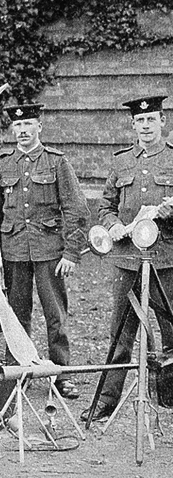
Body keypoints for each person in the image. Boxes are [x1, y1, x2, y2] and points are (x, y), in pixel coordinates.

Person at [81, 96, 173, 421]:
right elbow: (105, 205)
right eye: (140, 121)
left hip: (165, 261)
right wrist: (114, 224)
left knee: (171, 331)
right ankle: (105, 402)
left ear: (163, 121)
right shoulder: (121, 162)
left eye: (152, 120)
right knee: (120, 334)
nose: (146, 126)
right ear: (133, 125)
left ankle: (168, 398)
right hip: (127, 260)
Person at [0, 103, 90, 399]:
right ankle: (19, 371)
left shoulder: (57, 162)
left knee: (55, 314)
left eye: (28, 125)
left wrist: (71, 253)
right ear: (12, 130)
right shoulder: (3, 163)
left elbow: (77, 209)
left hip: (49, 250)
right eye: (18, 126)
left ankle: (60, 374)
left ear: (39, 128)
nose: (22, 131)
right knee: (16, 314)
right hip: (13, 250)